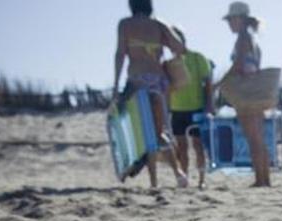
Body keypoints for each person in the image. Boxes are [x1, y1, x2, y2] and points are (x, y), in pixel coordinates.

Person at [114, 0, 189, 189]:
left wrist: (116, 85)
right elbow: (180, 48)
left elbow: (120, 54)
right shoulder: (158, 24)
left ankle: (154, 181)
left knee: (144, 132)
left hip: (138, 82)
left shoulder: (125, 24)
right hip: (159, 81)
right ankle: (178, 173)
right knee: (159, 130)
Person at [221, 2, 271, 187]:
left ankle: (260, 179)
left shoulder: (243, 38)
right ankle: (265, 179)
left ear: (239, 19)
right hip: (256, 91)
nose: (229, 24)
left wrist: (219, 82)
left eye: (231, 20)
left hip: (246, 93)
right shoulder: (252, 38)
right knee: (258, 138)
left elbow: (238, 65)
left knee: (253, 138)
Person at [169, 27, 213, 190]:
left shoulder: (197, 58)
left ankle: (202, 179)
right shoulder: (169, 63)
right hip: (177, 108)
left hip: (196, 107)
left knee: (198, 145)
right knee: (181, 147)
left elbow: (208, 83)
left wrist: (209, 105)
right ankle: (184, 178)